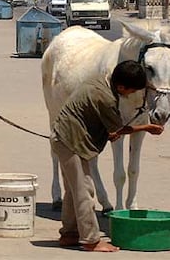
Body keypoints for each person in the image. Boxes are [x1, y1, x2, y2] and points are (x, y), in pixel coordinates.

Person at [50, 60, 164, 252]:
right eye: (132, 91)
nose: (132, 95)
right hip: (70, 141)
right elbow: (117, 131)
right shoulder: (106, 98)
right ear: (121, 86)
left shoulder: (100, 82)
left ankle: (69, 234)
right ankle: (91, 240)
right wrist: (146, 127)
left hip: (66, 138)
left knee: (73, 189)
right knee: (85, 190)